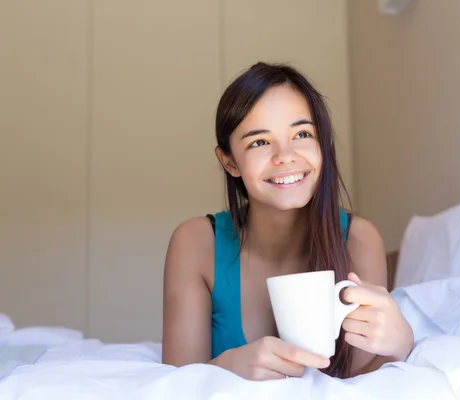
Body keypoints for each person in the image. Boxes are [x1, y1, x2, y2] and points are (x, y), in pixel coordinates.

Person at [161, 62, 414, 380]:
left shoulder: (360, 239)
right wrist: (226, 369)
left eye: (302, 134)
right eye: (259, 142)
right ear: (229, 161)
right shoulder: (197, 243)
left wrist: (400, 345)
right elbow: (174, 384)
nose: (286, 155)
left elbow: (360, 381)